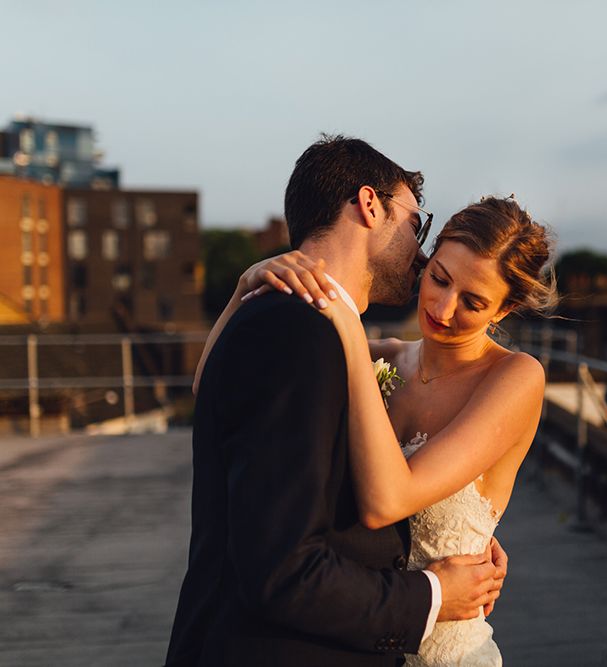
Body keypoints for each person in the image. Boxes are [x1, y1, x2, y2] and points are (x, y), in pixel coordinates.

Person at [165, 136, 507, 667]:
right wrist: (433, 593)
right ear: (370, 205)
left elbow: (208, 392)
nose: (421, 255)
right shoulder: (298, 333)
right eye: (415, 224)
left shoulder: (291, 322)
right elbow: (283, 570)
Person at [206, 195, 556, 666]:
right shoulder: (381, 358)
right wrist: (244, 287)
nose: (443, 308)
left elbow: (387, 502)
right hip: (354, 636)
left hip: (445, 652)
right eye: (439, 278)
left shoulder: (515, 378)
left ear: (504, 309)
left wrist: (349, 326)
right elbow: (208, 390)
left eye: (473, 302)